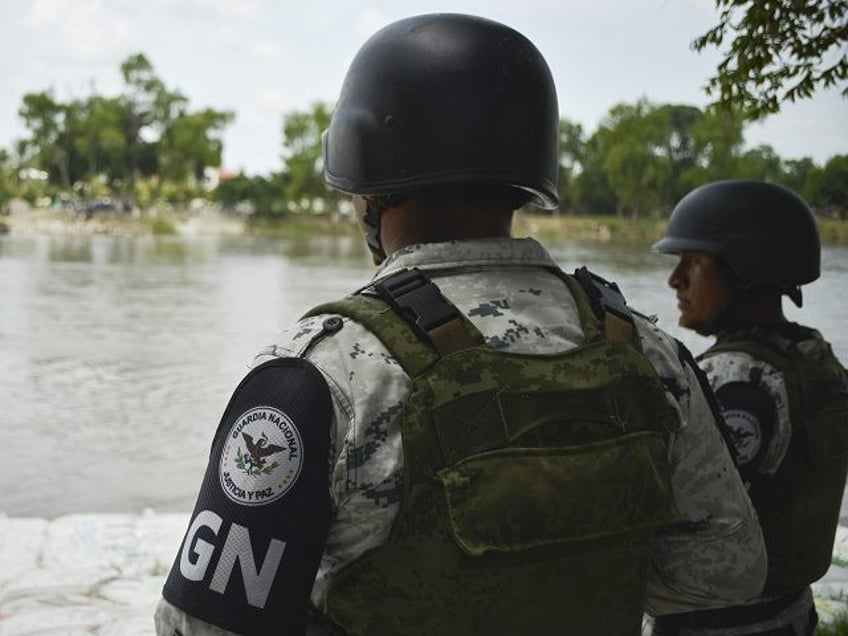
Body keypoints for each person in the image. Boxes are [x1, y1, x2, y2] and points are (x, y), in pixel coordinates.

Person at [154, 14, 765, 636]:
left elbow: (198, 625)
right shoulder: (647, 352)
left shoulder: (317, 376)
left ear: (367, 173)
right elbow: (728, 573)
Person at [652, 179, 848, 636]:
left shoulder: (739, 377)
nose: (674, 280)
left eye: (694, 262)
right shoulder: (812, 357)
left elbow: (672, 507)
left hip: (718, 624)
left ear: (745, 274)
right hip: (788, 613)